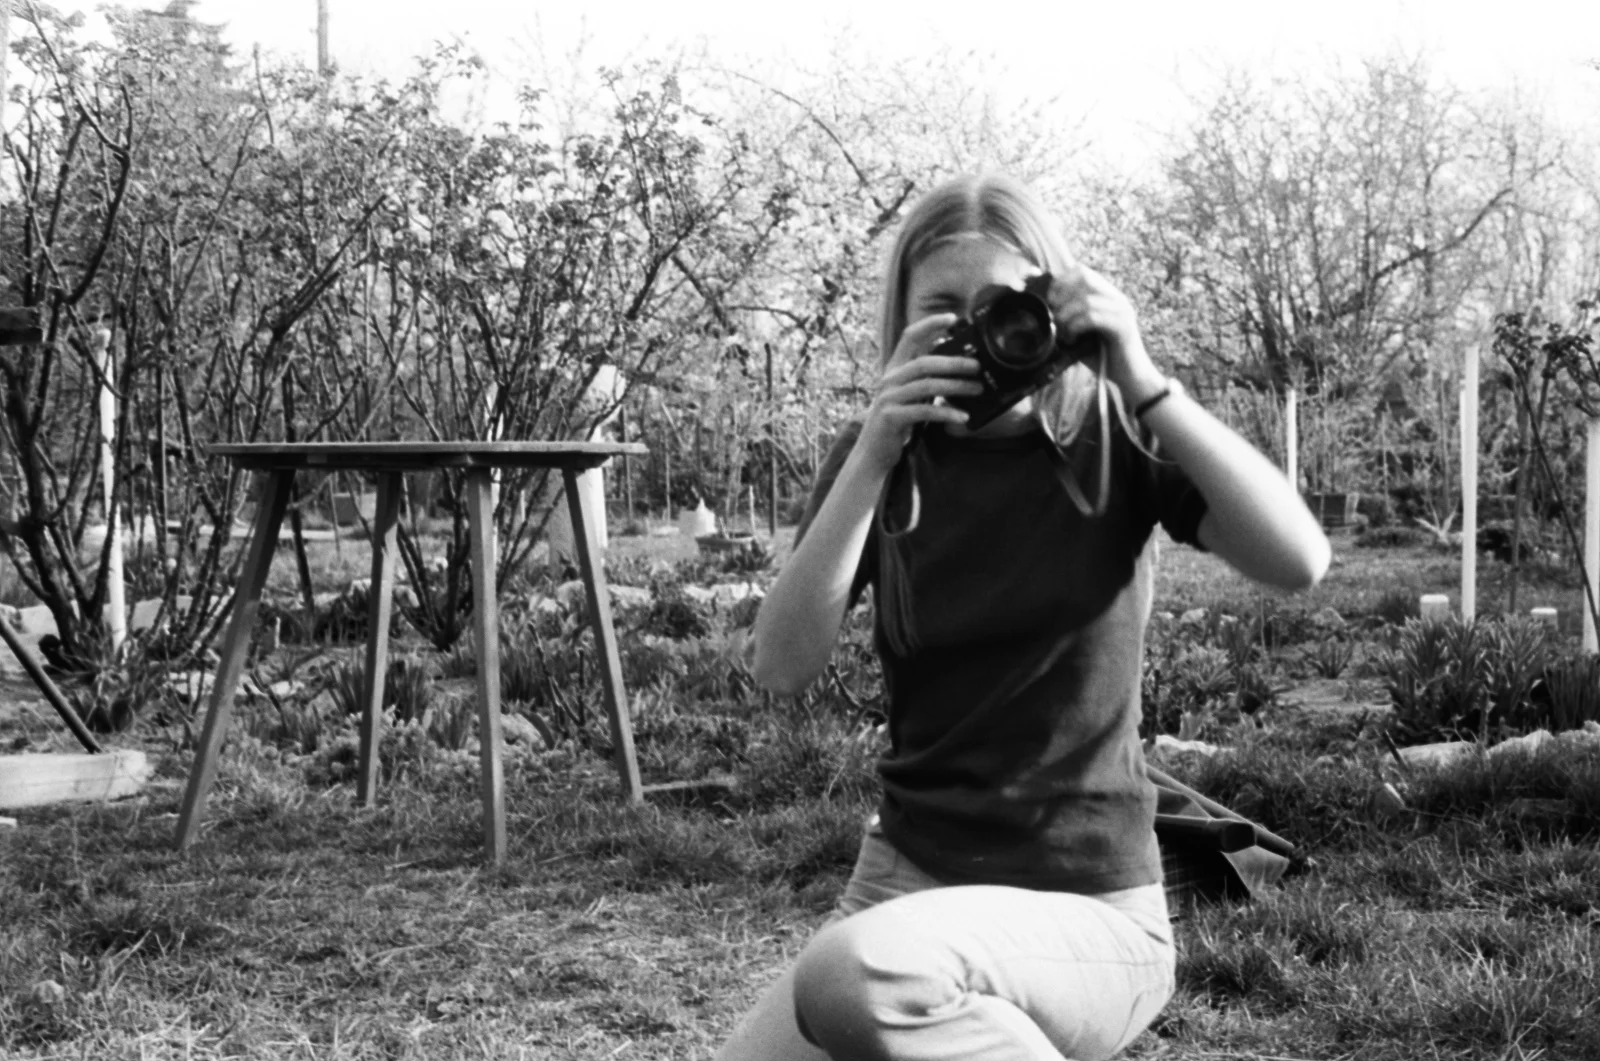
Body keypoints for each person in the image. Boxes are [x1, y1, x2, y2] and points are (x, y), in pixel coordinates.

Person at [719, 172, 1330, 1061]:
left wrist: (1143, 378)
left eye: (1001, 306)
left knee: (855, 975)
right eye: (942, 310)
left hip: (1088, 911)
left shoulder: (1112, 436)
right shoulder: (881, 457)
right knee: (850, 985)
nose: (975, 332)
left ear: (1052, 308)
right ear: (901, 323)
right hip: (901, 889)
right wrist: (876, 450)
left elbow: (1300, 560)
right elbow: (780, 664)